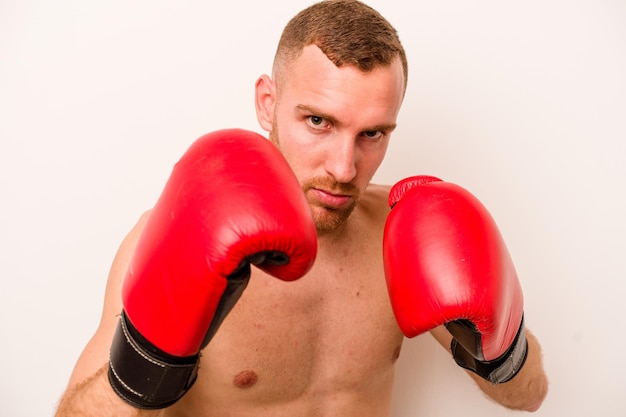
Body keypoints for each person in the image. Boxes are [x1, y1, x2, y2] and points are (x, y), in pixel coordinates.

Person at [54, 1, 548, 416]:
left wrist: (501, 349)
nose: (343, 167)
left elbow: (529, 396)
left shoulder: (406, 234)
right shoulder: (177, 233)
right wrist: (150, 357)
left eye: (372, 134)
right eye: (318, 121)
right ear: (268, 103)